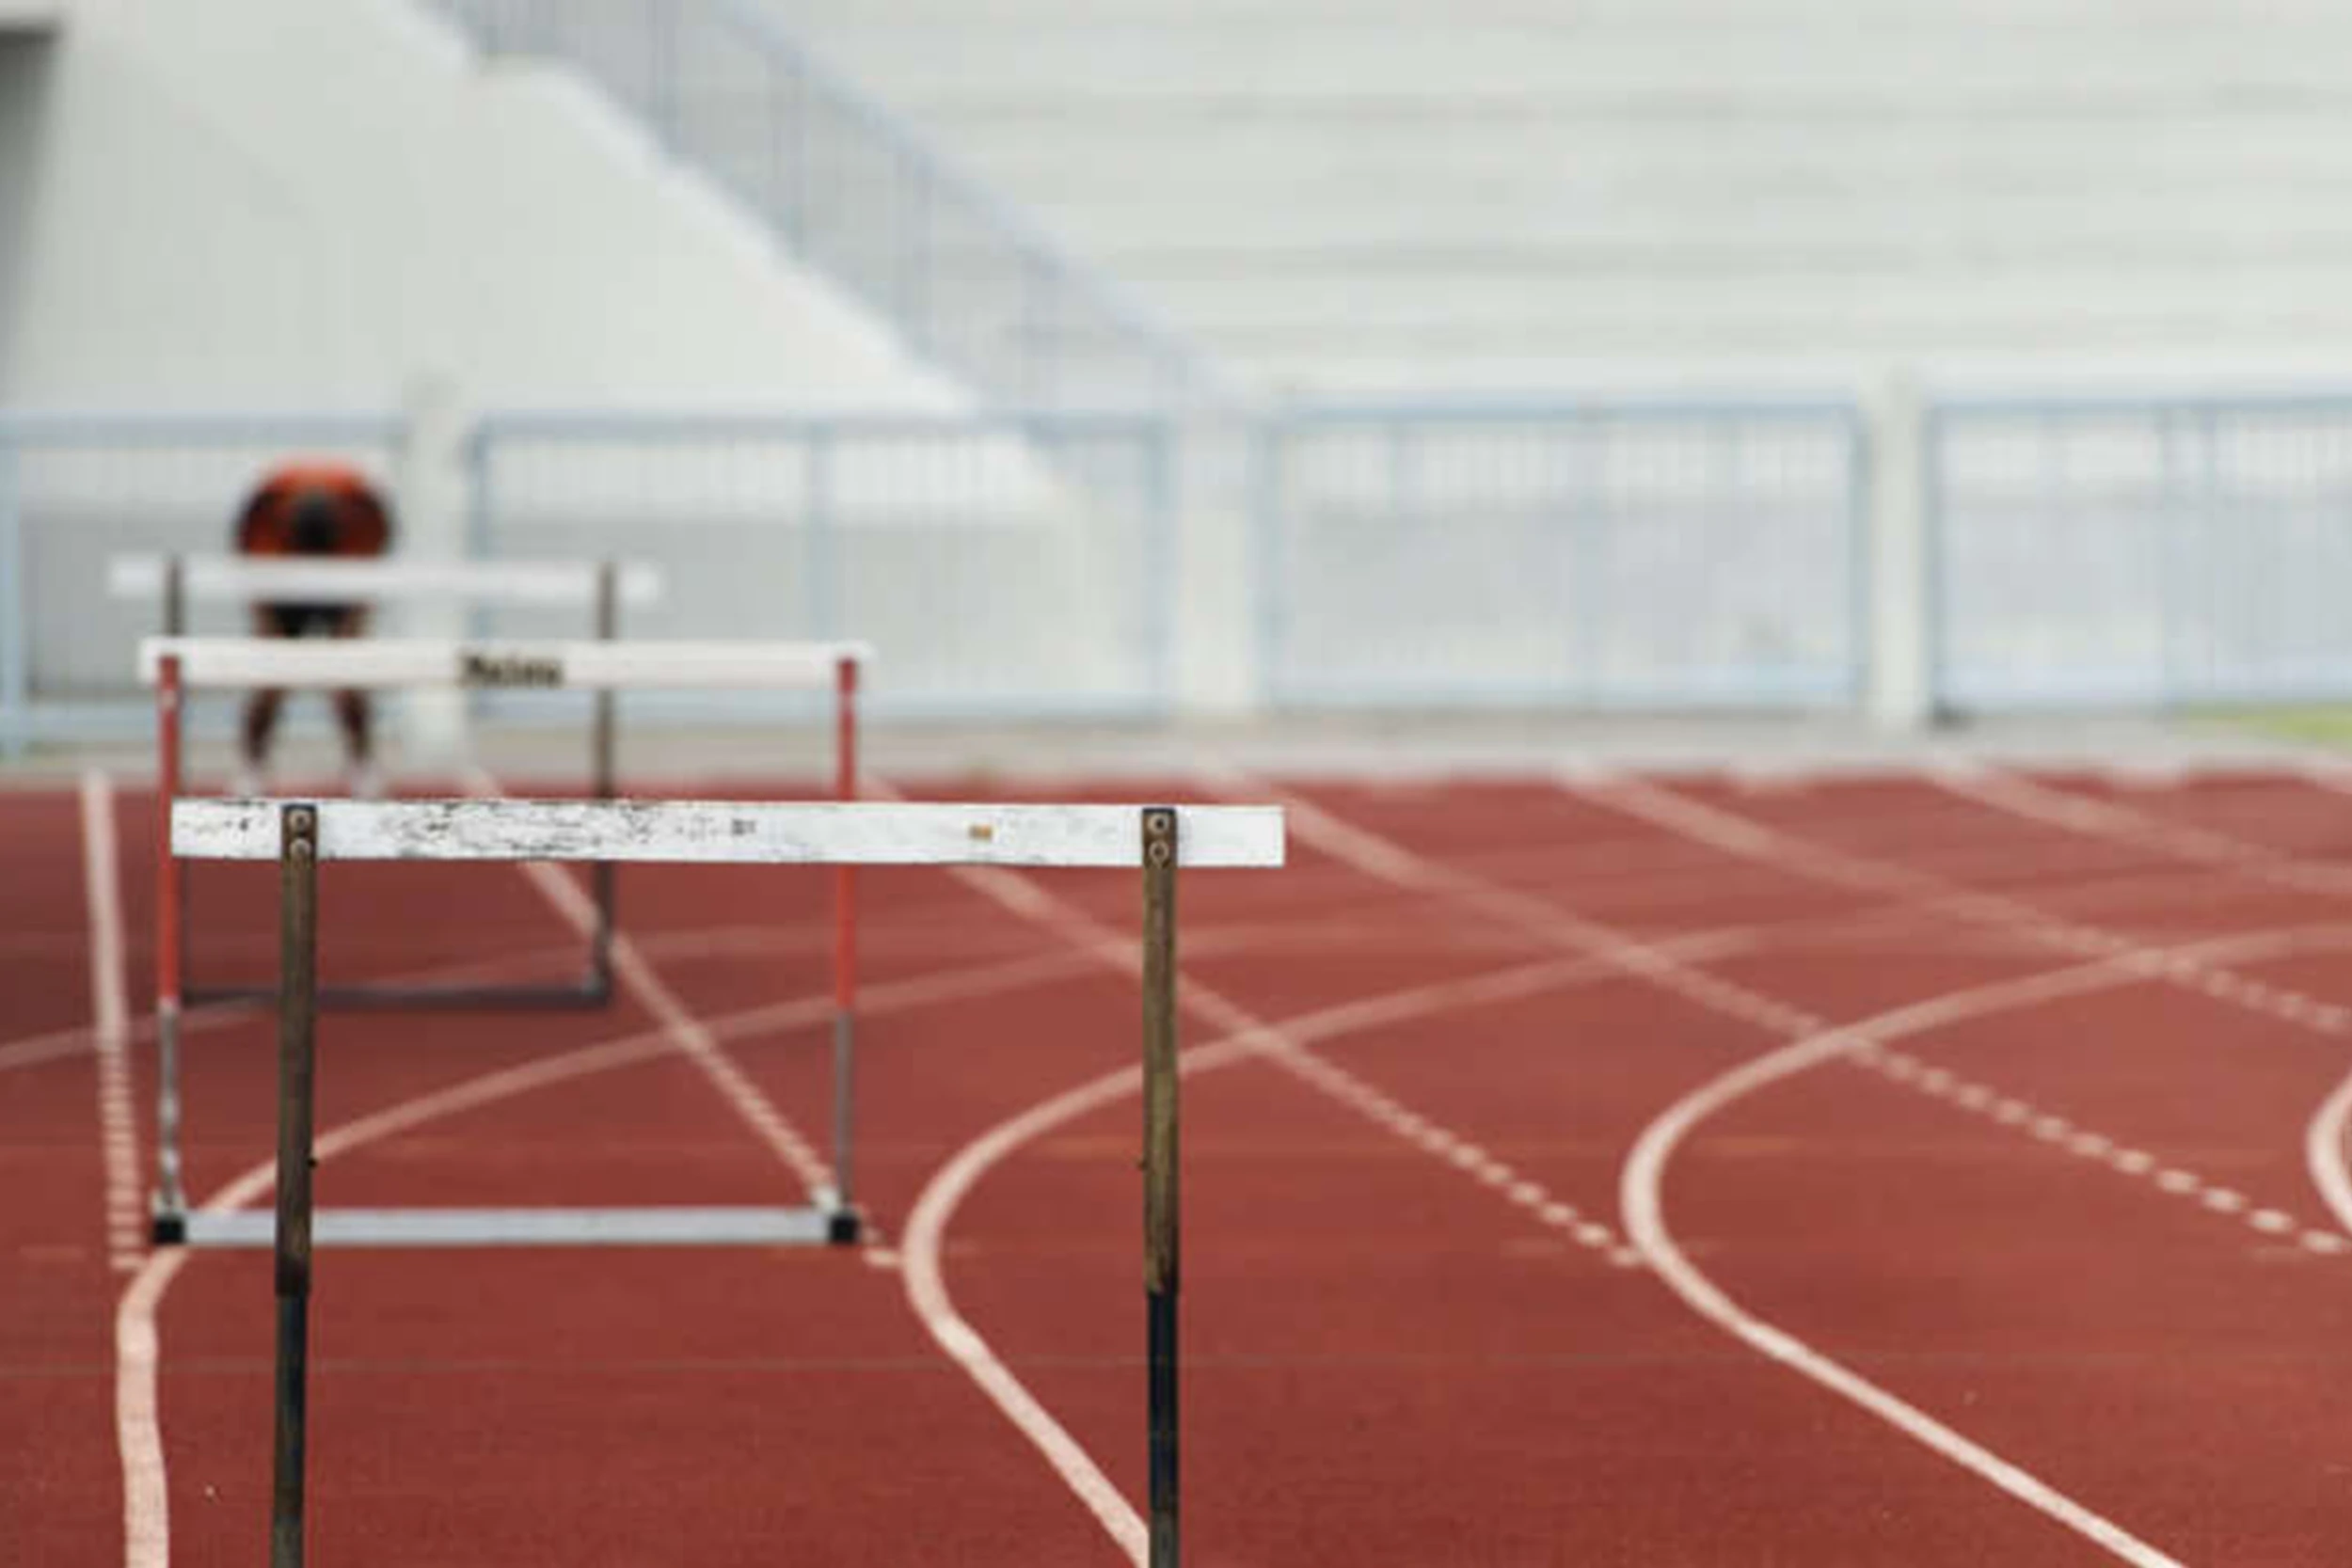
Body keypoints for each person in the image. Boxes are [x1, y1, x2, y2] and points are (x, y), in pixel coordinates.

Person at [230, 461, 395, 798]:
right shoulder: (265, 511)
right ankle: (252, 767)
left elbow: (375, 560)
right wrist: (269, 630)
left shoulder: (362, 507)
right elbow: (249, 569)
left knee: (350, 678)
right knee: (268, 680)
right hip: (281, 583)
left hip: (342, 581)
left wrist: (352, 626)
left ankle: (362, 764)